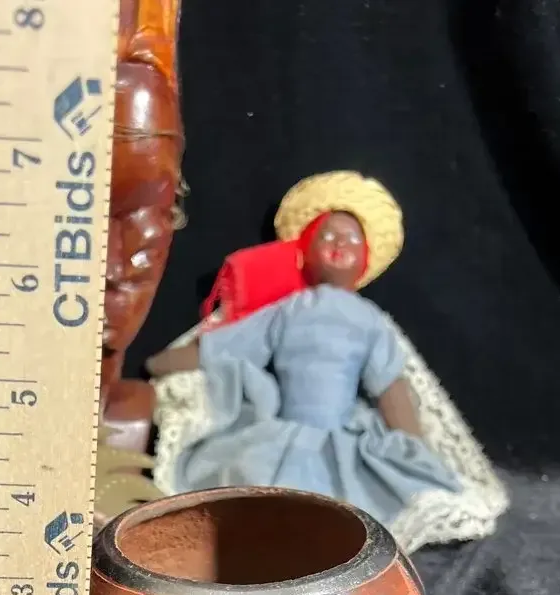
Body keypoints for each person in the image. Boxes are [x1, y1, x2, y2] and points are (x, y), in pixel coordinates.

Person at [146, 171, 463, 528]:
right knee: (252, 482)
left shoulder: (370, 320)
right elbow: (233, 346)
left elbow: (390, 386)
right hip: (279, 430)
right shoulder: (288, 310)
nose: (339, 243)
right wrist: (168, 360)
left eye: (352, 239)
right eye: (327, 235)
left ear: (365, 259)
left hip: (340, 441)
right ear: (305, 252)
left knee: (345, 506)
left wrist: (413, 447)